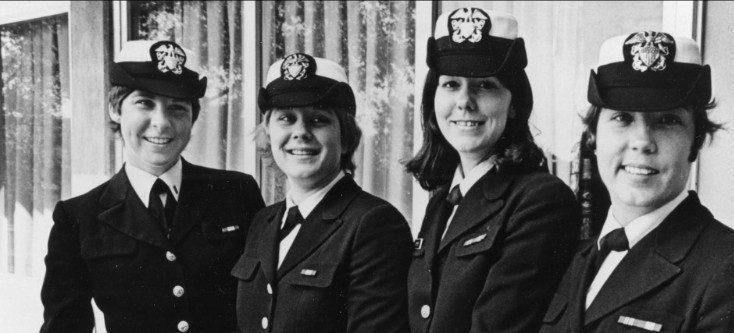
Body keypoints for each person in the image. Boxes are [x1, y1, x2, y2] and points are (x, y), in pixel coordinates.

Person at [540, 31, 734, 332]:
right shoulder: (570, 257)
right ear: (594, 137)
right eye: (622, 118)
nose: (642, 141)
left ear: (695, 141)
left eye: (667, 120)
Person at [40, 40, 266, 333]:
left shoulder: (237, 192)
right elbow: (64, 326)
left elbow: (266, 304)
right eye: (144, 103)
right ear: (115, 109)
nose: (161, 123)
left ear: (193, 118)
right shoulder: (78, 217)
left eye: (177, 108)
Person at [405, 7, 581, 333]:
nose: (464, 101)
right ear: (432, 103)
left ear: (514, 104)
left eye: (485, 86)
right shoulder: (443, 200)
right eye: (451, 84)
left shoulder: (540, 201)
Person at [232, 53, 412, 333]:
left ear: (345, 138)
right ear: (268, 133)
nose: (300, 132)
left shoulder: (374, 224)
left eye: (318, 119)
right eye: (286, 118)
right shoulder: (262, 222)